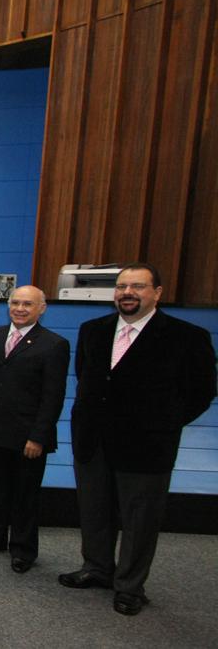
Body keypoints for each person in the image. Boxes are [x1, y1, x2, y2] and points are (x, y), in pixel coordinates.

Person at [59, 262, 216, 616]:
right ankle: (97, 568)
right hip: (93, 441)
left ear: (156, 293)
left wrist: (163, 424)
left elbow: (202, 392)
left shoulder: (187, 337)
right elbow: (87, 377)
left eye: (138, 286)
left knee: (139, 518)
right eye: (122, 286)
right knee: (95, 510)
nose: (128, 293)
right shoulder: (92, 330)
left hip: (147, 447)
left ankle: (130, 586)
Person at [0, 286, 69, 573]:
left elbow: (53, 397)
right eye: (16, 303)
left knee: (25, 494)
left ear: (42, 308)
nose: (20, 309)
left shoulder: (54, 344)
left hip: (29, 437)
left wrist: (39, 436)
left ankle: (23, 549)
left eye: (28, 304)